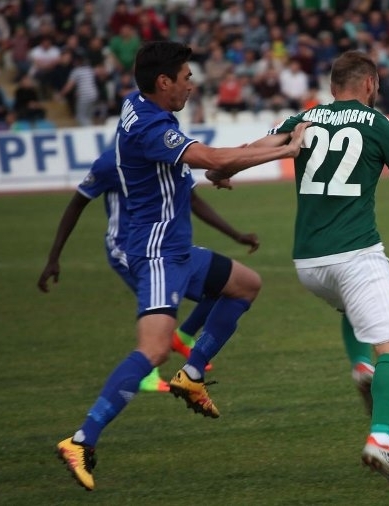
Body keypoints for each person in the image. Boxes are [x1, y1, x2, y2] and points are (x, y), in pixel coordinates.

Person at [206, 50, 389, 487]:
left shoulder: (305, 118)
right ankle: (381, 440)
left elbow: (248, 151)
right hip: (355, 257)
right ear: (370, 84)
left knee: (353, 307)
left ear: (333, 88)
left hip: (309, 265)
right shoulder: (380, 125)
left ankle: (360, 366)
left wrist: (220, 173)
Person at [54, 40, 308, 491]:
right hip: (156, 255)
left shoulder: (140, 104)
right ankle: (81, 440)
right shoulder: (151, 127)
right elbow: (212, 157)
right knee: (152, 350)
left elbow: (204, 166)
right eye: (186, 77)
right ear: (163, 82)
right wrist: (285, 151)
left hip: (178, 249)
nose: (192, 85)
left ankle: (191, 375)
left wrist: (222, 170)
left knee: (245, 285)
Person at [37, 147, 260, 389]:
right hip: (128, 250)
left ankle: (183, 337)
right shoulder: (110, 163)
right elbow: (77, 204)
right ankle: (147, 373)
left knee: (229, 285)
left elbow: (193, 200)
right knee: (156, 313)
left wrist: (236, 235)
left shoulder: (171, 154)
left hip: (167, 246)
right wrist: (53, 257)